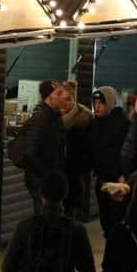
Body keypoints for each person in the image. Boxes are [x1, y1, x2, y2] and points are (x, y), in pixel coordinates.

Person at [87, 86, 131, 243]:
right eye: (95, 102)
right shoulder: (95, 124)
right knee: (106, 220)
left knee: (116, 220)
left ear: (110, 103)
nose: (97, 106)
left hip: (118, 179)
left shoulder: (122, 124)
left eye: (101, 103)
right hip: (102, 178)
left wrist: (122, 174)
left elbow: (125, 152)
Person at [23, 79, 69, 214]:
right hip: (41, 181)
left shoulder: (56, 119)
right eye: (59, 93)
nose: (63, 96)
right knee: (44, 217)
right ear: (49, 97)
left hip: (51, 179)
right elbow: (30, 153)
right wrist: (48, 175)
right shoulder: (40, 121)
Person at [59, 81, 94, 219]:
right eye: (63, 99)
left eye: (68, 99)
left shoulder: (85, 117)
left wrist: (83, 165)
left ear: (74, 99)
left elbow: (90, 146)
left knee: (72, 202)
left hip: (76, 169)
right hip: (58, 166)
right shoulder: (54, 116)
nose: (65, 103)